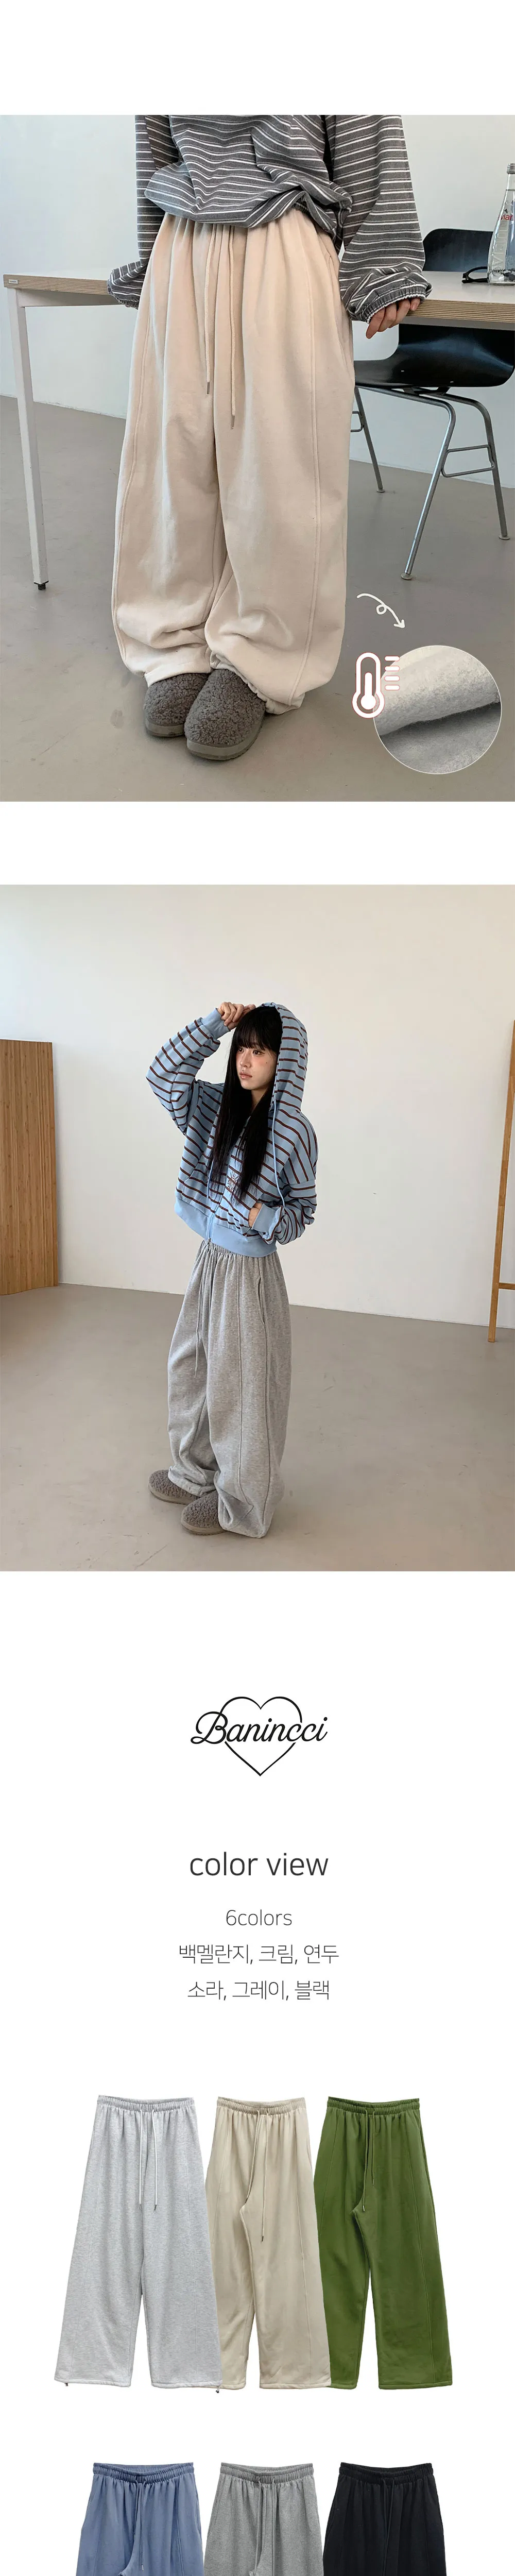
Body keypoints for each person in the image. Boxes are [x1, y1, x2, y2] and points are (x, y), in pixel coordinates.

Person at [109, 116, 426, 760]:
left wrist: (383, 263)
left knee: (280, 468)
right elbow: (155, 150)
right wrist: (151, 260)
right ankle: (175, 641)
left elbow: (367, 134)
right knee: (173, 456)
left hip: (286, 237)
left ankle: (261, 658)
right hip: (182, 242)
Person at [146, 1000, 317, 1536]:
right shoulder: (216, 1107)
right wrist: (213, 1026)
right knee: (191, 1368)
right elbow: (162, 1074)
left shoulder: (295, 1132)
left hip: (250, 1274)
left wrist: (263, 1216)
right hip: (210, 1259)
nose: (246, 1060)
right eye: (242, 1048)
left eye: (260, 1051)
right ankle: (195, 1472)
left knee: (241, 1387)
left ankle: (244, 1501)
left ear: (284, 1060)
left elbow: (302, 1212)